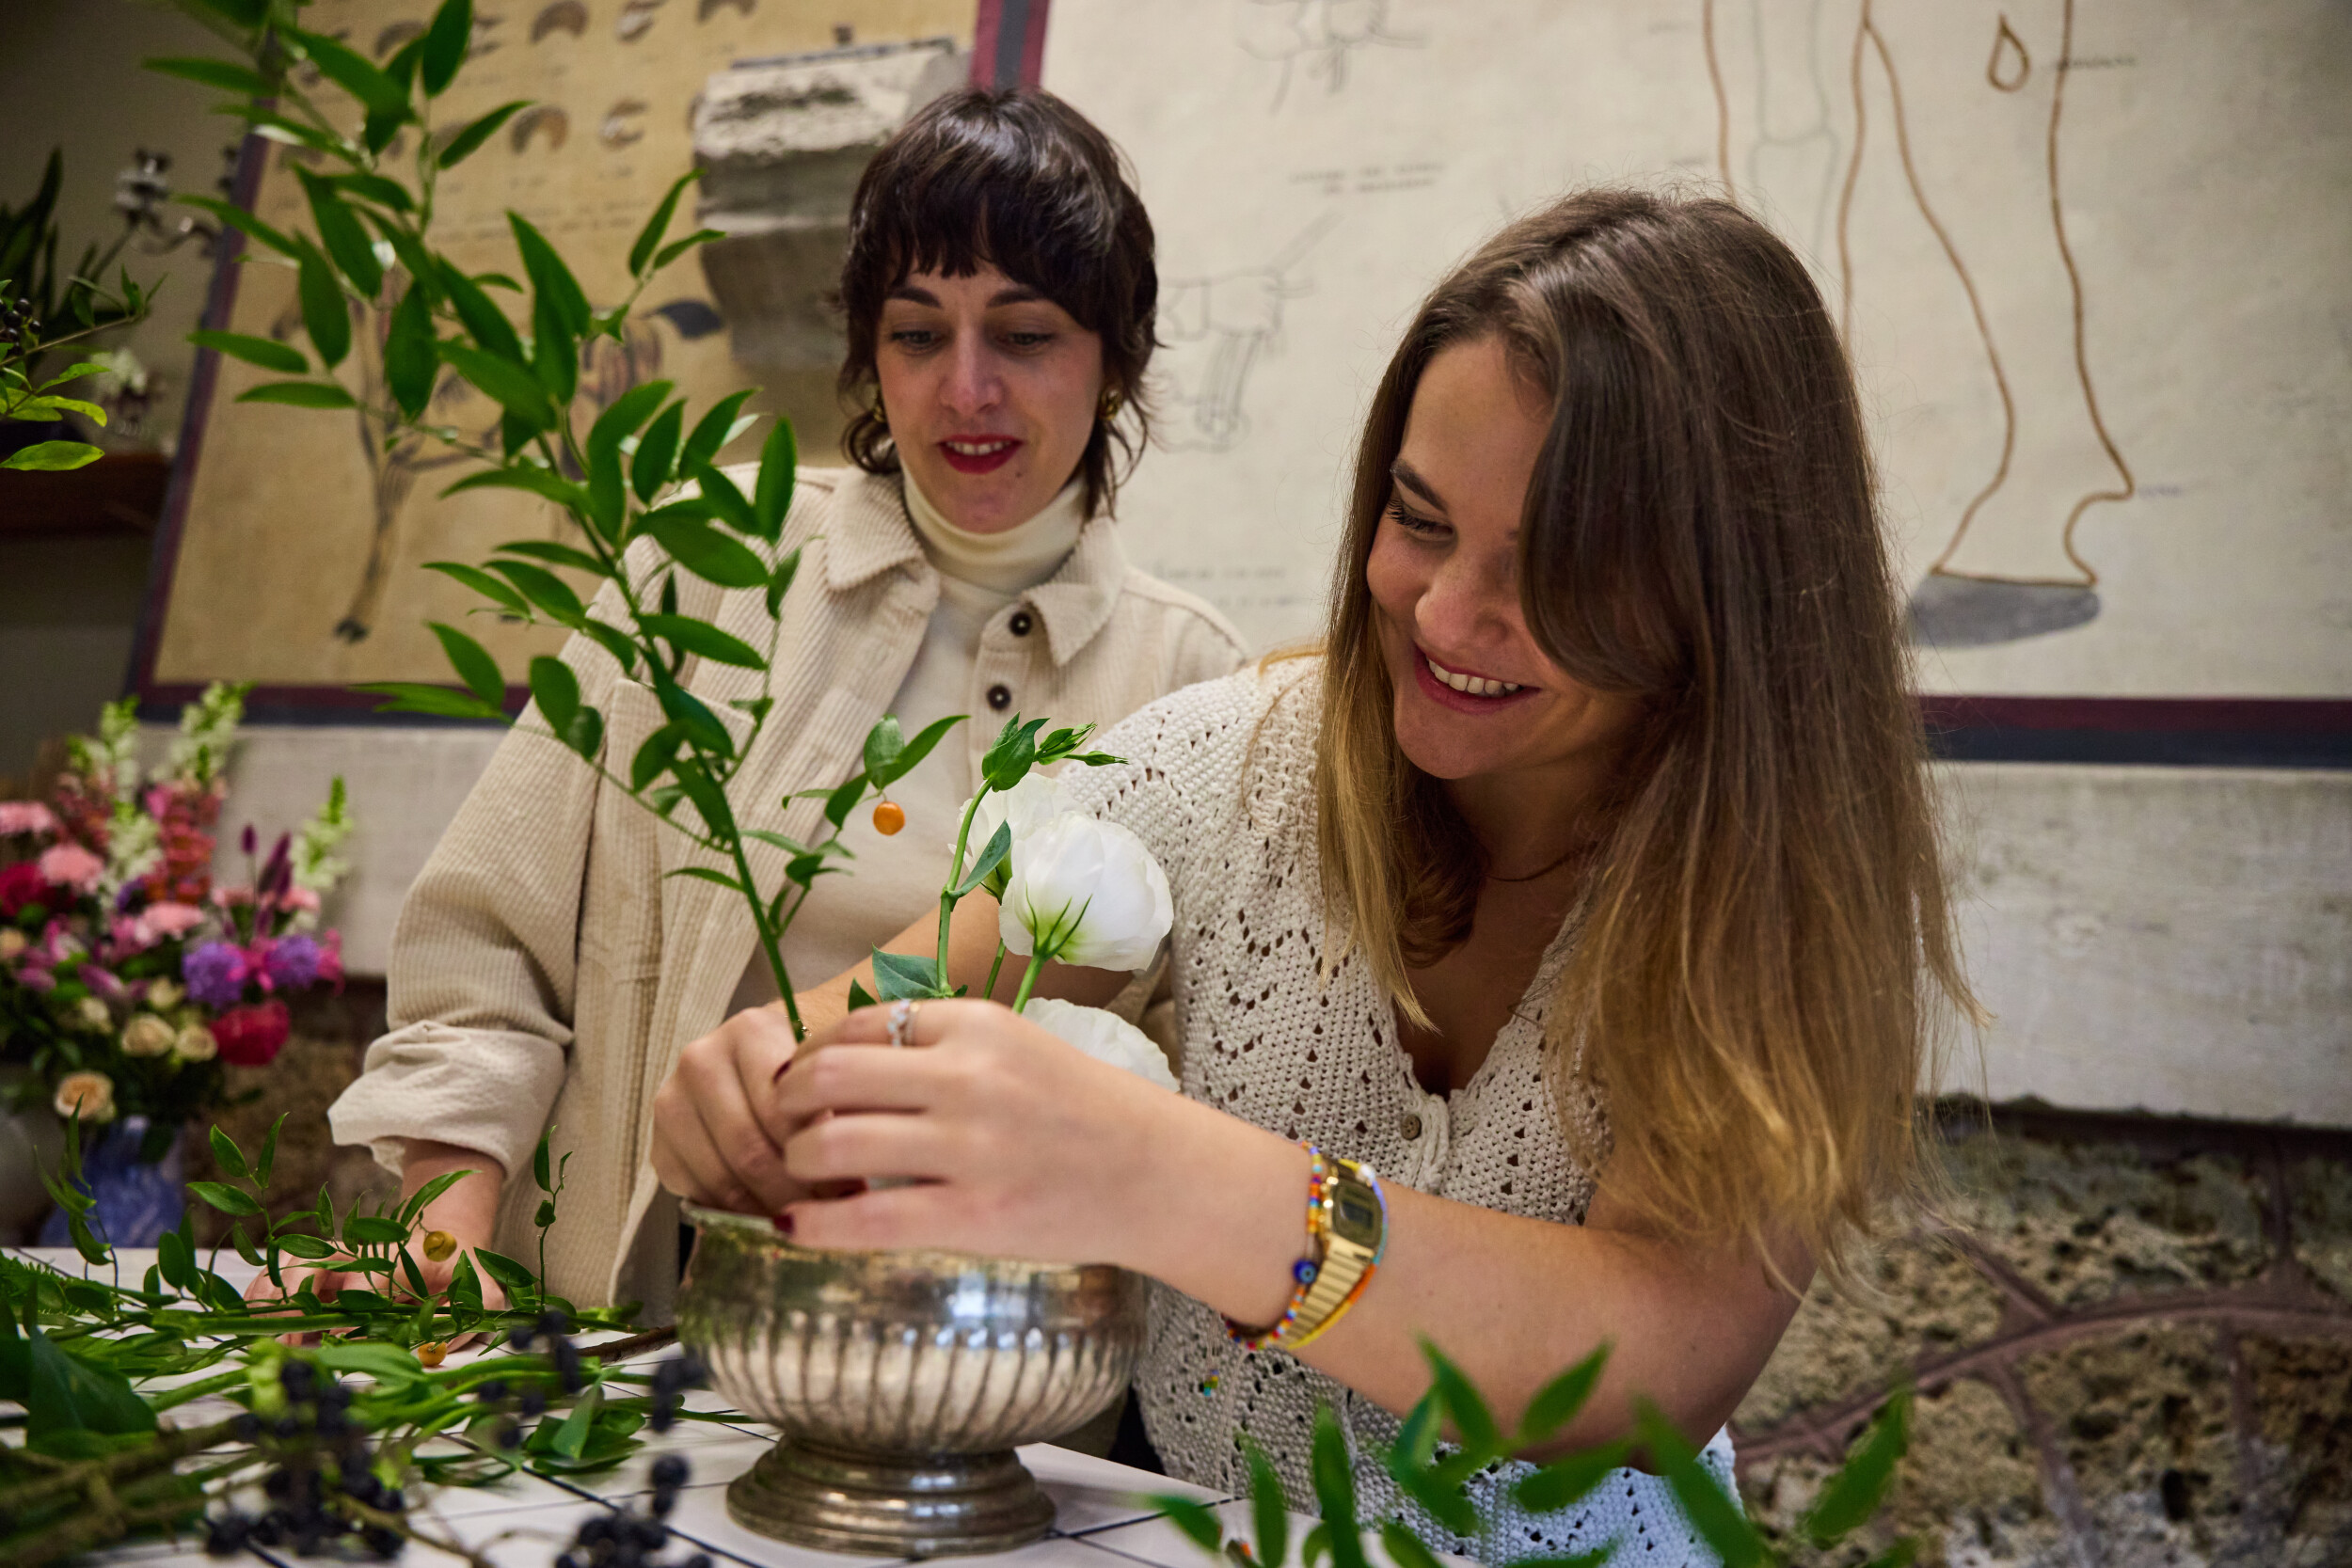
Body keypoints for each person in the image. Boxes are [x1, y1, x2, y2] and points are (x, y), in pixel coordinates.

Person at [654, 187, 1977, 1563]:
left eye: (1558, 573)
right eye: (1417, 521)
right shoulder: (1219, 764)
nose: (1448, 617)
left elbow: (1642, 1368)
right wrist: (759, 1079)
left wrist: (1167, 1178)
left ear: (1728, 594)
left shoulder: (1782, 895)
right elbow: (894, 1005)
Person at [309, 87, 1247, 1318]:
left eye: (1024, 337)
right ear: (868, 353)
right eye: (918, 335)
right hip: (608, 1334)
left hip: (976, 1379)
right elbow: (491, 939)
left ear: (1115, 359)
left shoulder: (1192, 685)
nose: (966, 391)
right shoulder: (705, 562)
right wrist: (447, 1233)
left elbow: (1196, 1114)